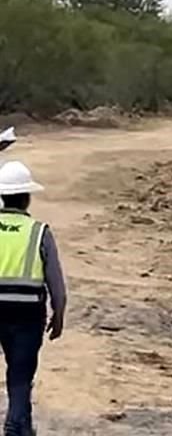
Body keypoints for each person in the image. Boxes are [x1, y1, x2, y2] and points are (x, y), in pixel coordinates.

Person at [0, 160, 68, 436]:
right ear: (27, 199)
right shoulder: (40, 232)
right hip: (28, 315)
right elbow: (57, 284)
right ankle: (15, 427)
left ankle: (23, 428)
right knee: (20, 376)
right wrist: (59, 315)